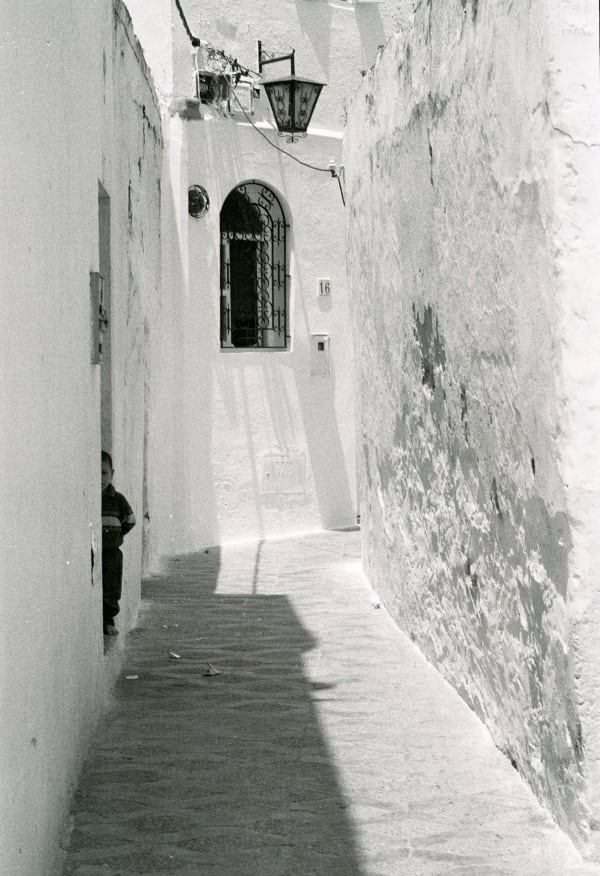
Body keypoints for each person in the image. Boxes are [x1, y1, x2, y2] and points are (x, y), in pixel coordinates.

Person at [101, 451, 136, 636]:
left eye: (104, 473)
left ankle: (108, 620)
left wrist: (117, 535)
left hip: (112, 551)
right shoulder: (90, 496)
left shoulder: (118, 499)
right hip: (93, 550)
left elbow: (130, 520)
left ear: (112, 474)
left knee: (111, 585)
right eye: (96, 473)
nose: (100, 478)